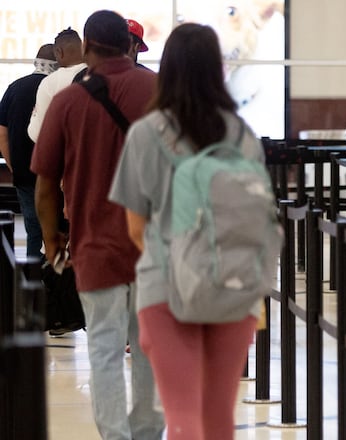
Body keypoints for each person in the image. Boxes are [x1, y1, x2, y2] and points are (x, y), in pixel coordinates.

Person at [108, 22, 262, 440]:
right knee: (217, 419)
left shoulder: (144, 135)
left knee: (183, 418)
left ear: (168, 68)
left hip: (164, 289)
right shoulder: (242, 135)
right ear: (216, 68)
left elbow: (136, 227)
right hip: (232, 288)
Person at [31, 10, 164, 439]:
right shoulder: (158, 91)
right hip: (153, 243)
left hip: (94, 244)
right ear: (129, 46)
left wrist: (53, 241)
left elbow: (45, 183)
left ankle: (115, 435)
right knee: (150, 347)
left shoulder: (69, 99)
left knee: (104, 347)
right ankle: (147, 431)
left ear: (86, 47)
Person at [0, 44, 57, 258]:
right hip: (53, 175)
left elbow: (1, 133)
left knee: (33, 231)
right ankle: (57, 282)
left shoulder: (14, 87)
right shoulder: (56, 87)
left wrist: (12, 164)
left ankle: (33, 283)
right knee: (56, 231)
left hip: (24, 173)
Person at [27, 28, 87, 142]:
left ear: (59, 52)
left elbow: (38, 134)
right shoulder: (99, 75)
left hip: (65, 155)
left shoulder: (50, 83)